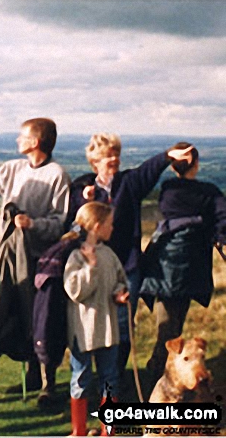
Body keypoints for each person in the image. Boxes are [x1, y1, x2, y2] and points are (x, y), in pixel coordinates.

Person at [65, 134, 193, 379]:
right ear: (94, 161)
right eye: (106, 156)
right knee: (88, 323)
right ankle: (84, 380)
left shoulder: (128, 183)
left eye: (116, 155)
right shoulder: (82, 187)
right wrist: (84, 202)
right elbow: (72, 226)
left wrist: (168, 156)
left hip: (126, 267)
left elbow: (148, 170)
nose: (113, 159)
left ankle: (116, 377)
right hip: (91, 266)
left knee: (122, 326)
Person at [0, 117, 70, 404]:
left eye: (22, 136)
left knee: (42, 320)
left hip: (42, 261)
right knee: (19, 317)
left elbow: (60, 222)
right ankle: (33, 376)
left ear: (35, 142)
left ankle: (49, 384)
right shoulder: (14, 168)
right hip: (12, 257)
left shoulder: (57, 175)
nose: (17, 140)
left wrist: (33, 224)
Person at [140, 142, 226, 384]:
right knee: (172, 326)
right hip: (191, 267)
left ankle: (163, 372)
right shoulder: (208, 192)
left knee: (167, 323)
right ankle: (159, 373)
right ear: (196, 165)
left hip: (162, 263)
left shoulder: (168, 189)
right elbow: (223, 219)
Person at [63, 202, 129, 436]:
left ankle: (107, 432)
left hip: (108, 329)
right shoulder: (75, 255)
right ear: (98, 226)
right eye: (110, 224)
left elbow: (120, 279)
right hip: (83, 331)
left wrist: (120, 292)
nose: (113, 228)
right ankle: (78, 431)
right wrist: (90, 267)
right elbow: (75, 291)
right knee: (80, 378)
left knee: (109, 380)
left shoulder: (109, 254)